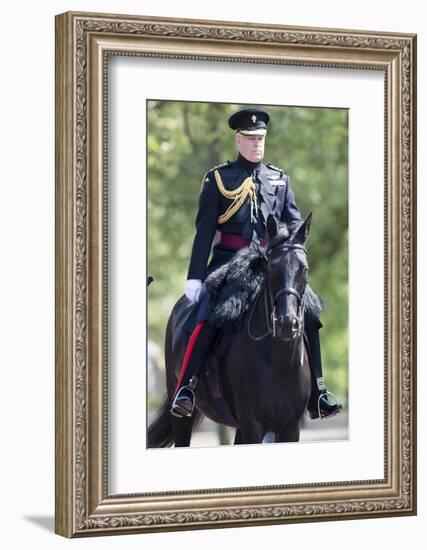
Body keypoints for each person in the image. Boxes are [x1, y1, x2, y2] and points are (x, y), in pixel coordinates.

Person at [170, 107, 342, 421]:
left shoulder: (279, 179)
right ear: (238, 140)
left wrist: (288, 244)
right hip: (228, 265)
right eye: (250, 139)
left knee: (312, 312)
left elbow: (294, 223)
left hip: (272, 264)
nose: (256, 144)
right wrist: (195, 276)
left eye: (260, 138)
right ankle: (187, 387)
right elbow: (205, 231)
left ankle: (318, 392)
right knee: (208, 314)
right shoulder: (219, 178)